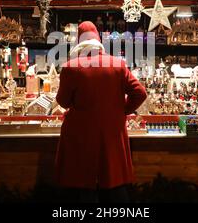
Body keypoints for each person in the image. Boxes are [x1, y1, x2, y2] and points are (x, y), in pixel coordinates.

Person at [55, 21, 147, 202]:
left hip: (80, 133)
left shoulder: (71, 66)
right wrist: (122, 111)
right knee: (114, 180)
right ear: (98, 42)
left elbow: (63, 102)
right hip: (112, 132)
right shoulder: (118, 64)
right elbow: (140, 93)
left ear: (79, 43)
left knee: (83, 182)